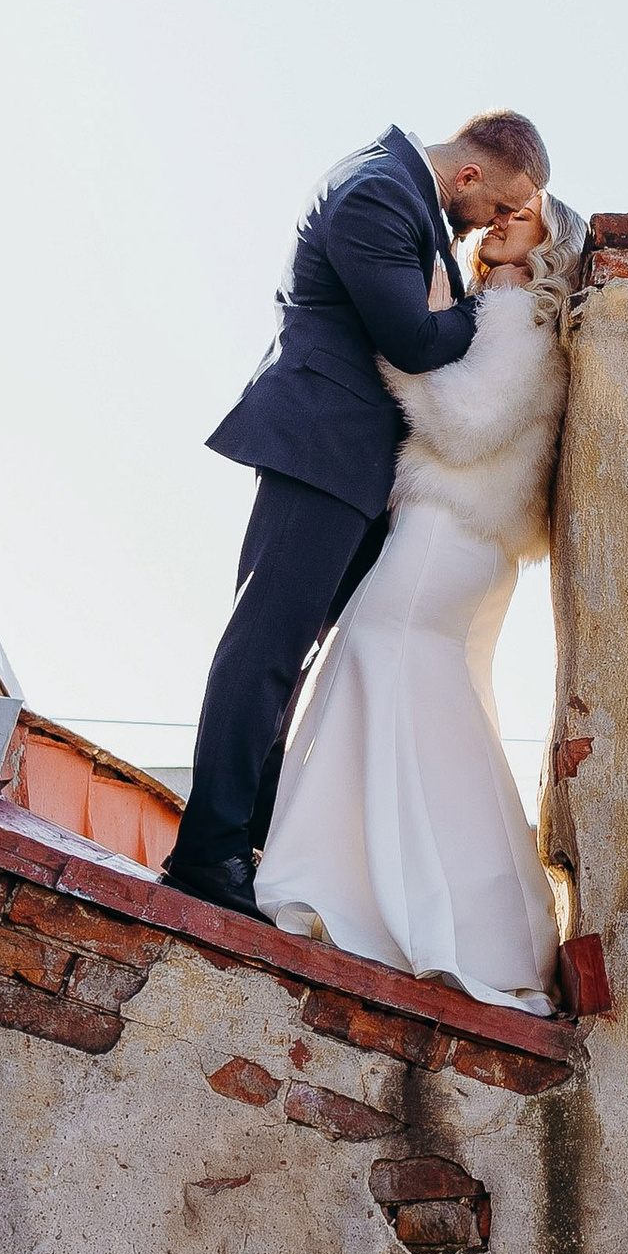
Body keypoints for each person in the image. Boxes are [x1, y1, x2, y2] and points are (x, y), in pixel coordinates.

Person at [164, 115, 550, 919]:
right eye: (497, 206)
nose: (489, 227)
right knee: (264, 650)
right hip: (322, 449)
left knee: (290, 658)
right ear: (471, 178)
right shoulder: (378, 192)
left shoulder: (409, 198)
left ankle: (249, 838)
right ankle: (206, 852)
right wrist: (491, 304)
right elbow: (411, 340)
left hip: (352, 465)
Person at [254, 194, 585, 1005]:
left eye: (526, 215)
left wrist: (406, 346)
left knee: (374, 667)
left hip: (445, 531)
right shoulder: (517, 315)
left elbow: (467, 424)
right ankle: (463, 916)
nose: (503, 221)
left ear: (553, 241)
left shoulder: (515, 312)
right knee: (431, 706)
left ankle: (361, 894)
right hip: (468, 543)